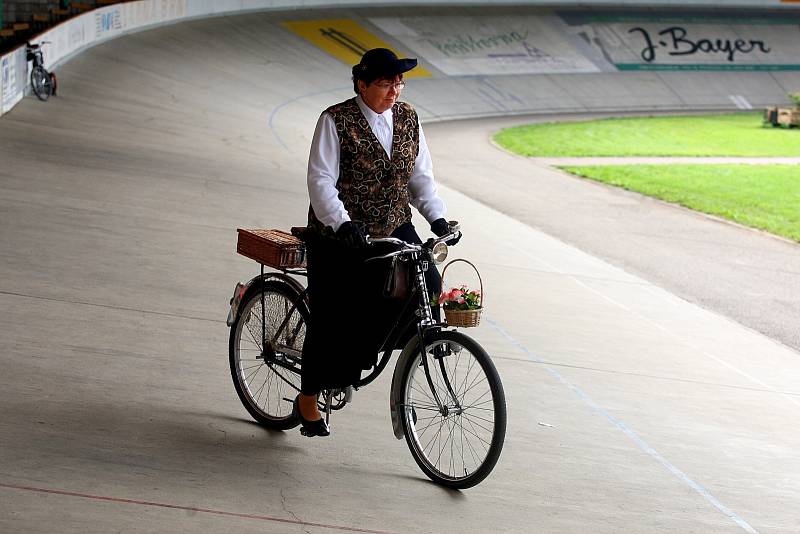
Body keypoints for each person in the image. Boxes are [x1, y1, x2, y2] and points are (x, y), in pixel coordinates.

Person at [296, 48, 460, 437]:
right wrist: (342, 223)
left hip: (394, 226)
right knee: (333, 314)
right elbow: (320, 181)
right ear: (362, 84)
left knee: (428, 287)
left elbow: (420, 178)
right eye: (385, 83)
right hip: (343, 234)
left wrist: (436, 216)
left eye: (398, 83)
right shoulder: (335, 120)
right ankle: (307, 398)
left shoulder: (408, 119)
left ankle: (377, 367)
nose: (394, 91)